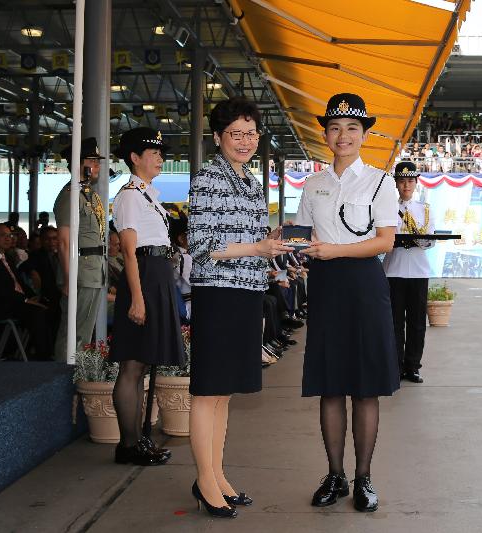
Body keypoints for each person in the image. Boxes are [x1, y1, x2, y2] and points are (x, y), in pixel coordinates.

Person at [295, 93, 399, 513]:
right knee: (330, 385)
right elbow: (300, 236)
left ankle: (364, 478)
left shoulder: (380, 181)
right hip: (325, 286)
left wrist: (334, 251)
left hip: (363, 285)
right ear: (325, 133)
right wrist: (288, 248)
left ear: (364, 134)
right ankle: (335, 474)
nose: (343, 136)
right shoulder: (313, 184)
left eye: (352, 128)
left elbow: (385, 241)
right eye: (335, 128)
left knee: (366, 387)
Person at [187, 96, 290, 518]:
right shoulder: (207, 178)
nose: (245, 141)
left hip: (247, 291)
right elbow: (199, 246)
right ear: (218, 137)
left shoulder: (250, 180)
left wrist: (271, 244)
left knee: (224, 393)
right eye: (235, 134)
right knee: (208, 390)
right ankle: (204, 481)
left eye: (251, 133)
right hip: (218, 293)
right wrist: (256, 246)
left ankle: (217, 474)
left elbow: (249, 239)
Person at [109, 127, 186, 467]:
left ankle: (138, 439)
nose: (160, 158)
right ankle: (128, 444)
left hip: (156, 274)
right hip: (142, 276)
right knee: (132, 364)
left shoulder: (148, 193)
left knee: (141, 364)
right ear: (134, 158)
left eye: (160, 153)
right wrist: (137, 299)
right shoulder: (128, 196)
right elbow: (128, 251)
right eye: (152, 153)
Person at [53, 138, 107, 362]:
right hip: (80, 272)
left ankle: (77, 377)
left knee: (84, 334)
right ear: (78, 164)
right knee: (72, 332)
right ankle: (59, 380)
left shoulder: (89, 195)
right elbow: (64, 241)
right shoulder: (70, 196)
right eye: (92, 161)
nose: (97, 166)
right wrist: (68, 278)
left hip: (94, 271)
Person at [382, 162, 435, 384]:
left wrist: (419, 240)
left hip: (418, 271)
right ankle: (395, 365)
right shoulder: (386, 209)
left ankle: (412, 366)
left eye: (410, 181)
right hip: (394, 270)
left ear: (416, 183)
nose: (406, 185)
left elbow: (429, 239)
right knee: (394, 322)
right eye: (402, 181)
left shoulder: (424, 209)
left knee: (417, 323)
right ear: (396, 184)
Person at [0, 223, 52, 360]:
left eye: (10, 235)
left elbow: (19, 282)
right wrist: (25, 300)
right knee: (39, 312)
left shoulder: (7, 257)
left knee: (51, 304)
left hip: (15, 300)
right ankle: (42, 356)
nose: (9, 238)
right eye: (3, 235)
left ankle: (48, 350)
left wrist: (33, 296)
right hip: (0, 304)